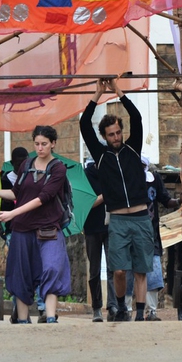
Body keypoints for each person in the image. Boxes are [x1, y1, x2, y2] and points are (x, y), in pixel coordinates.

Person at [79, 78, 152, 322]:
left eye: (119, 132)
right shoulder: (100, 157)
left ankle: (139, 314)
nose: (116, 137)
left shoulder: (133, 149)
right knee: (119, 270)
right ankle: (121, 306)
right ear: (104, 136)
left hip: (141, 216)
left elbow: (137, 118)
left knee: (141, 269)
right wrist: (99, 92)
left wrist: (118, 91)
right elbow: (83, 124)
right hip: (118, 219)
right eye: (111, 134)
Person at [0, 125, 72, 324]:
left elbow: (43, 198)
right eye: (37, 144)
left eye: (44, 144)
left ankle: (51, 317)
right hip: (22, 229)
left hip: (48, 227)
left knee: (52, 267)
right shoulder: (26, 164)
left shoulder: (58, 168)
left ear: (53, 144)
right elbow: (16, 194)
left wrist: (12, 214)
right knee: (20, 273)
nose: (40, 148)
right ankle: (23, 321)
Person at [142, 155, 180, 321]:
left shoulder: (154, 179)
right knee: (130, 273)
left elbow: (165, 199)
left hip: (151, 235)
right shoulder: (126, 181)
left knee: (154, 273)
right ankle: (127, 309)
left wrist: (179, 201)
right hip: (131, 231)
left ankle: (152, 311)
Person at [83, 157, 118, 322]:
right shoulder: (86, 176)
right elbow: (86, 203)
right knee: (95, 269)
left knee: (113, 267)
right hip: (92, 228)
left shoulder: (112, 173)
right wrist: (105, 195)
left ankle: (113, 306)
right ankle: (96, 307)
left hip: (111, 226)